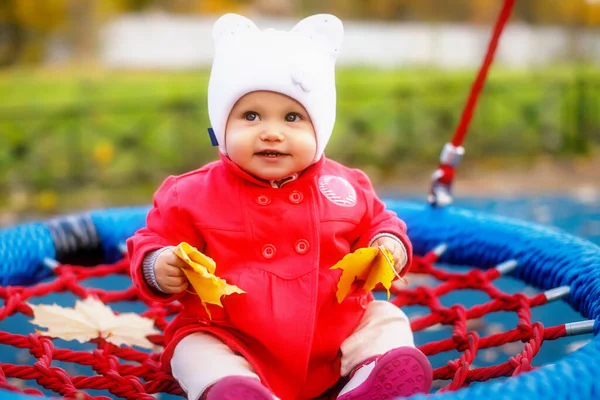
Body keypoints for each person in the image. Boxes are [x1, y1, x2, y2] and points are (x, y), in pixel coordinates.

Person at [127, 13, 432, 400]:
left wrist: (389, 244)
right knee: (191, 348)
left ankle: (372, 377)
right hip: (233, 335)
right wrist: (158, 264)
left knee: (386, 317)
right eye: (250, 116)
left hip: (334, 335)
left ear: (320, 129)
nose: (271, 131)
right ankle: (233, 389)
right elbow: (152, 239)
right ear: (221, 127)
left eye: (293, 117)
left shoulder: (344, 186)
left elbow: (380, 222)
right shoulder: (190, 194)